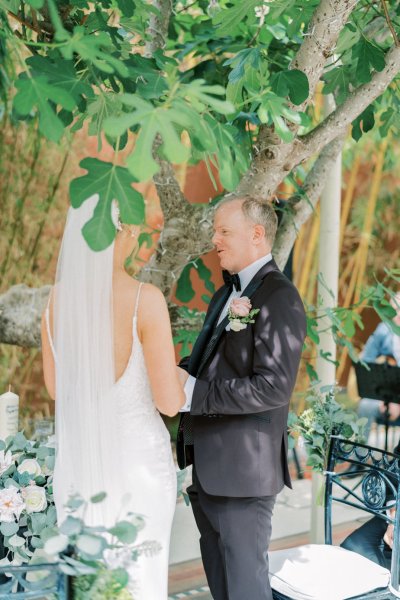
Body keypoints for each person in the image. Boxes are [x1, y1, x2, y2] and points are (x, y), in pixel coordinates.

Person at [41, 194, 185, 599]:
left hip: (80, 468)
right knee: (139, 578)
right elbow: (169, 403)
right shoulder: (144, 300)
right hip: (139, 469)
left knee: (87, 579)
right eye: (134, 227)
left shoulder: (55, 302)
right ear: (123, 232)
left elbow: (57, 391)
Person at [176, 196, 306, 600]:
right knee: (221, 585)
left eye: (223, 231)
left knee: (246, 589)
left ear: (256, 234)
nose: (214, 239)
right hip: (211, 470)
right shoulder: (226, 294)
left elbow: (272, 387)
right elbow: (209, 365)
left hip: (243, 476)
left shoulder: (279, 297)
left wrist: (193, 394)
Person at [357, 292, 400, 437]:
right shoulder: (383, 330)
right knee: (365, 405)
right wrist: (384, 398)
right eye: (396, 308)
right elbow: (366, 362)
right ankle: (359, 454)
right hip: (385, 395)